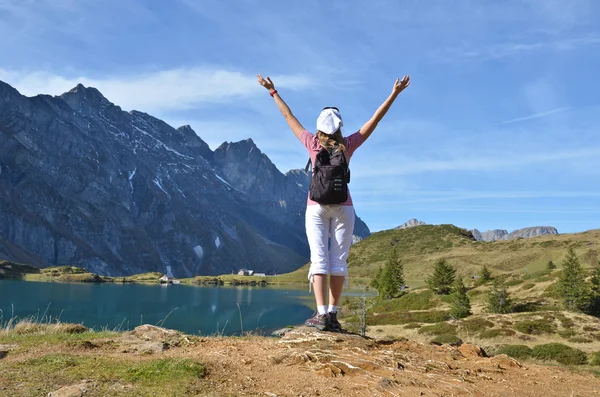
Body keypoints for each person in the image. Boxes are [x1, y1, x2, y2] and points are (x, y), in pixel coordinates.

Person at [257, 74, 411, 331]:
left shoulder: (312, 143)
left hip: (315, 206)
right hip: (344, 206)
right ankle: (333, 314)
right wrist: (394, 93)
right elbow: (375, 120)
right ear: (339, 125)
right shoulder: (347, 145)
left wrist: (273, 92)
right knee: (338, 260)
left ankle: (319, 314)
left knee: (319, 259)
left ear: (319, 126)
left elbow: (288, 117)